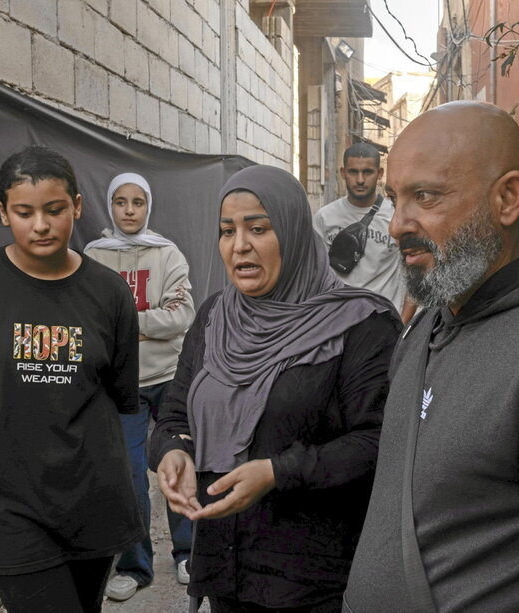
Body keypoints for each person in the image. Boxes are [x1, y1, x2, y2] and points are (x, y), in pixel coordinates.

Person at [343, 101, 519, 611]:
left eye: (425, 196)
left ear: (508, 198)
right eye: (395, 199)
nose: (399, 224)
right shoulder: (426, 325)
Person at [149, 165, 402, 612]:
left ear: (294, 234)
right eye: (227, 231)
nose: (239, 245)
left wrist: (278, 472)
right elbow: (175, 410)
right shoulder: (213, 318)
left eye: (258, 228)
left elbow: (377, 441)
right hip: (225, 563)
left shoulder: (362, 325)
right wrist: (173, 451)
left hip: (312, 575)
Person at [0, 146, 144, 613]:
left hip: (94, 501)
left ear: (78, 208)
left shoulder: (109, 293)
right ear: (2, 213)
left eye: (55, 210)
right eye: (24, 212)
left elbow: (122, 394)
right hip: (9, 511)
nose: (40, 225)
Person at [84, 172, 195, 600]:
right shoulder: (93, 256)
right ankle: (135, 564)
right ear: (109, 206)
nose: (129, 211)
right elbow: (90, 319)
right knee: (129, 476)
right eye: (120, 202)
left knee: (178, 464)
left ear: (149, 205)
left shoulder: (168, 253)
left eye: (138, 202)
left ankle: (187, 553)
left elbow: (181, 315)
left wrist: (127, 325)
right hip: (121, 383)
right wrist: (150, 325)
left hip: (169, 377)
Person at [313, 142, 415, 322]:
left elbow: (414, 275)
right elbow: (315, 274)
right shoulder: (324, 217)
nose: (360, 180)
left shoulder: (396, 215)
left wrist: (402, 324)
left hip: (385, 321)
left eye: (367, 172)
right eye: (353, 172)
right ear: (343, 173)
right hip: (338, 322)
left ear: (380, 173)